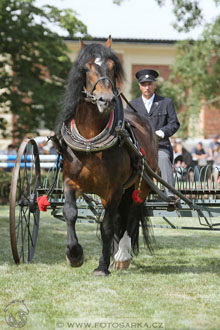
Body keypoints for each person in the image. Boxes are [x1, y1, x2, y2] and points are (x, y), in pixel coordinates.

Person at [126, 69, 180, 202]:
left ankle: (169, 193)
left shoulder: (166, 103)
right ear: (139, 86)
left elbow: (174, 123)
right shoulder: (132, 105)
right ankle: (124, 193)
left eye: (149, 84)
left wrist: (161, 133)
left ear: (154, 85)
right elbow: (127, 125)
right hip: (139, 148)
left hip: (160, 146)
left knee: (163, 158)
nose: (147, 87)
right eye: (143, 84)